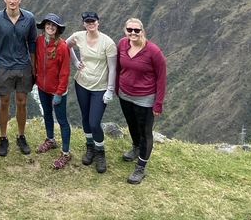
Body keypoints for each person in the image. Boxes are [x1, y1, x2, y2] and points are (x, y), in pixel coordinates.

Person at [0, 0, 37, 156]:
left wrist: (34, 65)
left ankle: (21, 135)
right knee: (4, 103)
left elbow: (32, 43)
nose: (12, 1)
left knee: (22, 102)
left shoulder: (29, 18)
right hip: (3, 66)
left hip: (23, 66)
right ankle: (3, 137)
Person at [115, 17, 167, 185]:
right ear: (125, 30)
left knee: (145, 132)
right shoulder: (122, 44)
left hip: (145, 97)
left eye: (136, 30)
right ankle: (136, 147)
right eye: (130, 30)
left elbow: (161, 78)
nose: (133, 33)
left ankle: (140, 167)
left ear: (142, 31)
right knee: (131, 125)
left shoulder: (153, 51)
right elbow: (118, 67)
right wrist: (117, 87)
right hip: (125, 94)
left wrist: (158, 103)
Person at [66, 10, 117, 173]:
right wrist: (75, 61)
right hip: (82, 83)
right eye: (87, 22)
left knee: (95, 122)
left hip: (100, 88)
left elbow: (113, 68)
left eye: (93, 21)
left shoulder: (107, 43)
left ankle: (100, 152)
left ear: (98, 22)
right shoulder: (79, 36)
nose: (90, 24)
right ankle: (90, 147)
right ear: (84, 24)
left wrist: (110, 89)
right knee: (85, 118)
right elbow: (65, 45)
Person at [33, 13, 72, 169]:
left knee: (62, 121)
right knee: (47, 114)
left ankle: (66, 153)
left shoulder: (62, 47)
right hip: (42, 87)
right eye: (48, 25)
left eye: (53, 25)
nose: (50, 27)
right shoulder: (39, 41)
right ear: (44, 27)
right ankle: (50, 139)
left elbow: (65, 72)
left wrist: (59, 92)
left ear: (57, 29)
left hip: (57, 90)